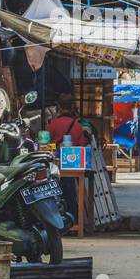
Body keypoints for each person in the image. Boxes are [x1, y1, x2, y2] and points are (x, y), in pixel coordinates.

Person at [46, 93, 89, 223]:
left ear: (58, 106)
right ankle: (73, 221)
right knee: (70, 193)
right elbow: (82, 145)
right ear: (71, 107)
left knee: (55, 194)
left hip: (54, 167)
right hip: (73, 165)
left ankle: (57, 221)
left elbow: (46, 145)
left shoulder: (53, 124)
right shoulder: (77, 126)